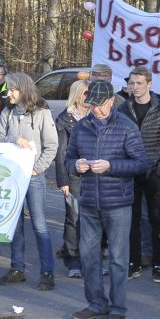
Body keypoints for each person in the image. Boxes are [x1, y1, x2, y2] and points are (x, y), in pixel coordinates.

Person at [65, 80, 148, 319]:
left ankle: (118, 308)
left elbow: (141, 163)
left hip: (118, 202)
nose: (96, 110)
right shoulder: (81, 127)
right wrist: (76, 166)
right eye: (92, 105)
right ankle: (96, 303)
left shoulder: (127, 127)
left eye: (100, 105)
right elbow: (68, 159)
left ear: (111, 102)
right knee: (89, 256)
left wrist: (112, 166)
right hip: (89, 201)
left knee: (118, 259)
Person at [0, 72, 59, 291]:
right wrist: (14, 140)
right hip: (12, 177)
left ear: (23, 89)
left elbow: (52, 145)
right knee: (16, 224)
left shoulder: (41, 113)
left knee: (39, 225)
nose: (8, 93)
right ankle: (17, 268)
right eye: (7, 89)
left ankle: (47, 272)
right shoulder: (7, 112)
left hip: (33, 177)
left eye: (12, 89)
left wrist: (37, 169)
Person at [118, 66, 160, 283]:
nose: (134, 87)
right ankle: (133, 263)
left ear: (149, 84)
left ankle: (158, 264)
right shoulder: (124, 108)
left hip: (154, 171)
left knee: (154, 219)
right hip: (131, 172)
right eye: (131, 83)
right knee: (132, 220)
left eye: (139, 83)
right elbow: (118, 139)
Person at [54, 79, 89, 278]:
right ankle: (72, 259)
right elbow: (60, 153)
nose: (89, 97)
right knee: (73, 217)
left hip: (93, 177)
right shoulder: (64, 119)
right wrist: (63, 181)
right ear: (77, 95)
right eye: (85, 93)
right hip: (73, 177)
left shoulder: (96, 116)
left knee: (92, 219)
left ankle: (90, 260)